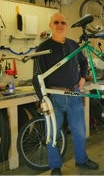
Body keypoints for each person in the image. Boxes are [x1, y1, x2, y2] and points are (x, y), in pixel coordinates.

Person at [32, 13, 98, 175]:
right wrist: (43, 99)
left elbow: (83, 63)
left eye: (63, 22)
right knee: (53, 134)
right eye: (56, 22)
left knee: (80, 131)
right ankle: (55, 167)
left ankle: (81, 159)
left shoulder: (74, 45)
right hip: (54, 96)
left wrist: (83, 77)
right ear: (50, 25)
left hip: (74, 94)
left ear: (66, 25)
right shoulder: (43, 48)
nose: (60, 25)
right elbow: (36, 76)